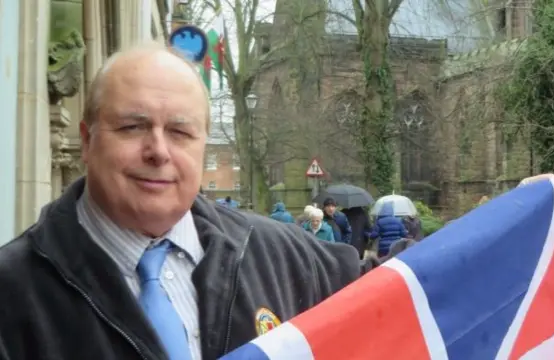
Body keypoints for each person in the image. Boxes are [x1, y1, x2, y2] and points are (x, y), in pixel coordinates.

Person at [0, 43, 382, 360]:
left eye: (180, 132)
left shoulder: (284, 258)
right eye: (133, 127)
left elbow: (401, 296)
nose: (158, 152)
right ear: (87, 140)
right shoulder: (14, 292)